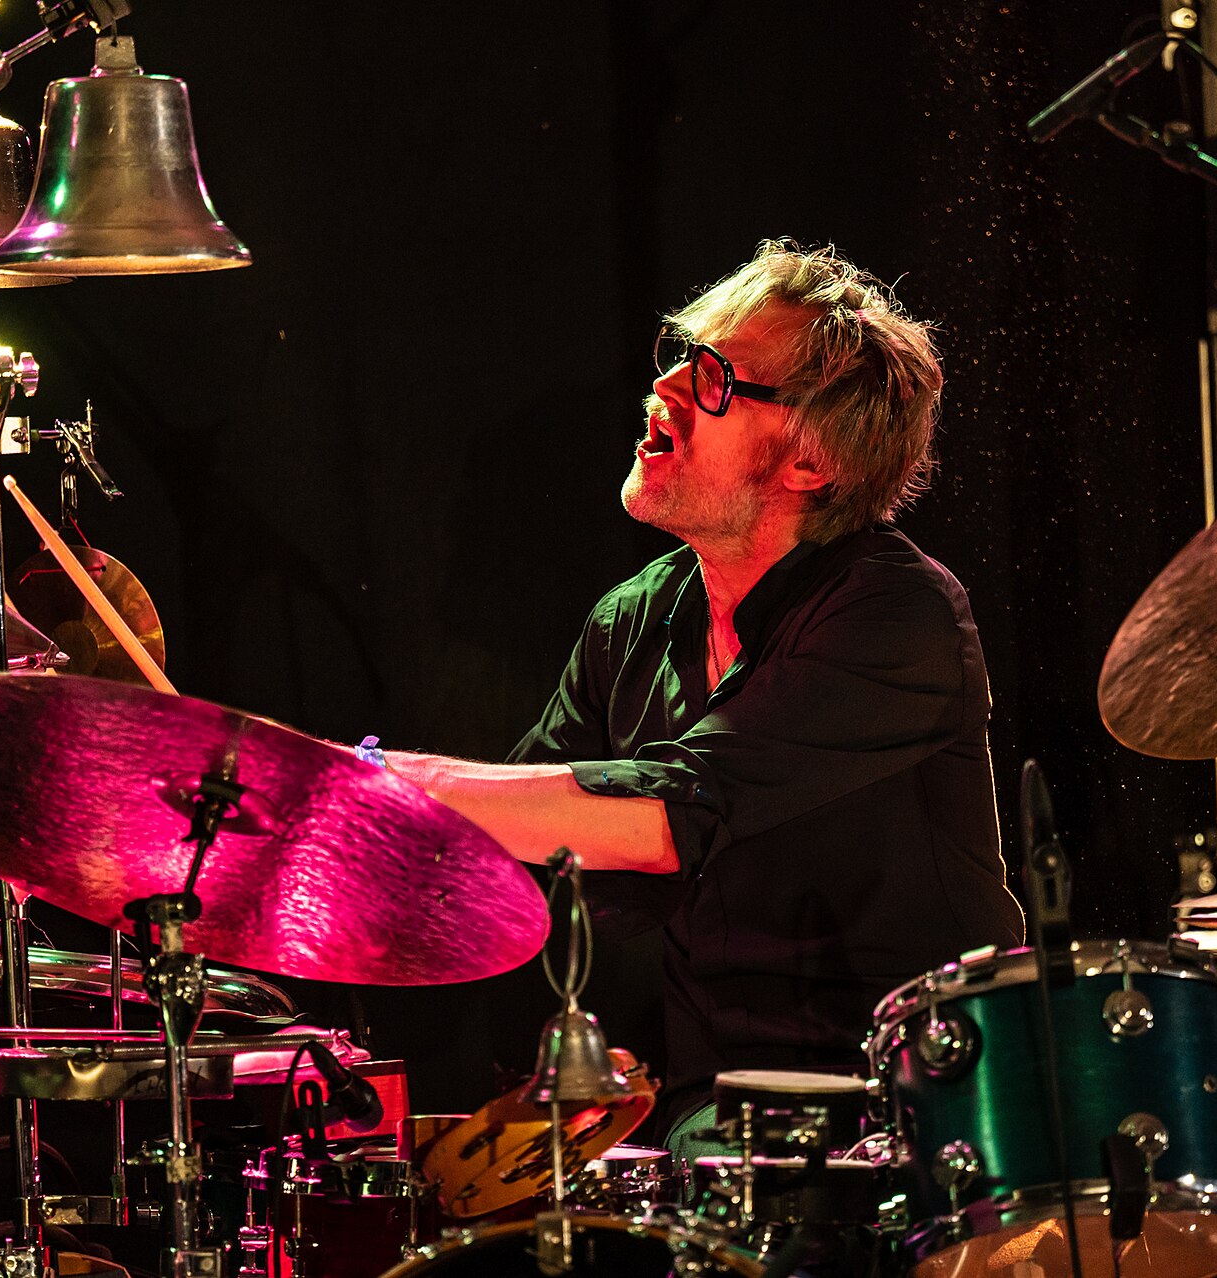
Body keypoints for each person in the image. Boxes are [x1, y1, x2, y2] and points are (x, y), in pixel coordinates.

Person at [388, 239, 1023, 1151]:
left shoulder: (896, 614)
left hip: (936, 1106)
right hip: (721, 1110)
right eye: (679, 358)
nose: (667, 391)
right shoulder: (636, 618)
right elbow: (520, 842)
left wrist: (379, 779)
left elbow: (666, 815)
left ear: (810, 462)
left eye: (718, 379)